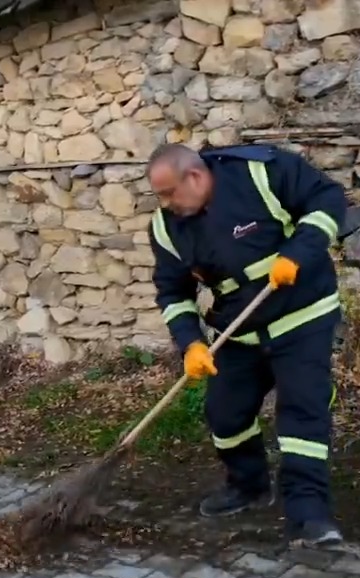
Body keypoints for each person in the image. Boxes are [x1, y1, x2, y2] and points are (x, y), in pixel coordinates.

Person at [146, 143, 346, 548]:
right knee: (225, 413)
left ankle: (309, 515)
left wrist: (298, 252)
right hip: (239, 328)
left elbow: (327, 199)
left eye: (169, 193)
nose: (165, 204)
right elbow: (172, 293)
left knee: (302, 414)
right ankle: (249, 485)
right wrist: (191, 345)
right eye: (159, 196)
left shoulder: (261, 173)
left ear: (196, 177)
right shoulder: (167, 228)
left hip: (301, 314)